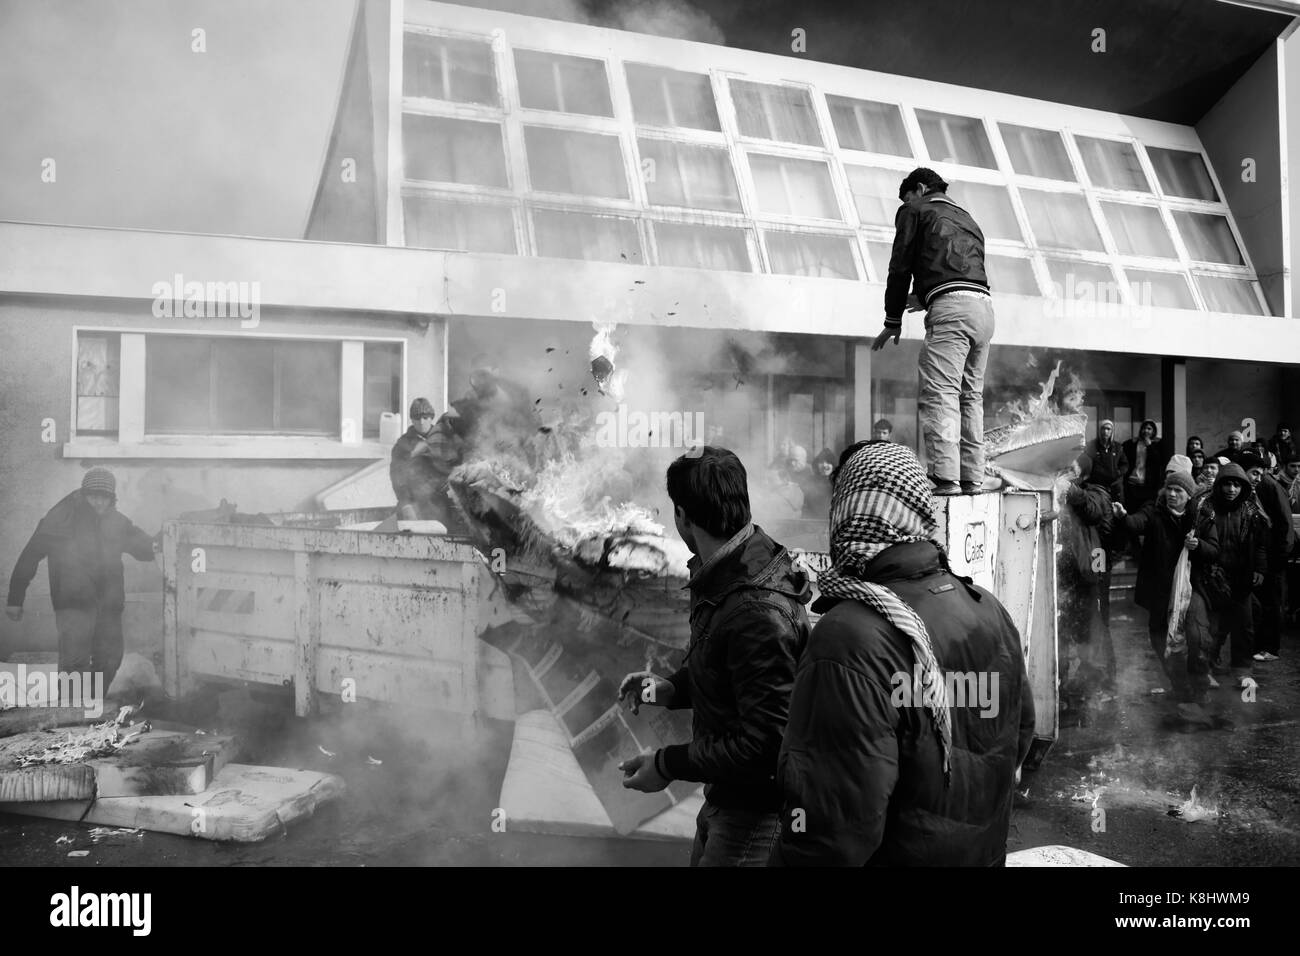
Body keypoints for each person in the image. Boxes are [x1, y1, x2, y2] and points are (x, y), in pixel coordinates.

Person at [771, 441, 1032, 866]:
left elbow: (831, 828)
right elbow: (1017, 739)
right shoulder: (988, 607)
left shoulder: (849, 636)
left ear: (849, 512)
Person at [617, 447, 811, 866]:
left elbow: (764, 747)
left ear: (683, 515)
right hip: (725, 799)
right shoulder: (725, 572)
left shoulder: (756, 609)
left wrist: (667, 764)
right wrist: (672, 689)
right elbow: (727, 670)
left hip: (754, 814)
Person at [871, 167, 994, 497]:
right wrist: (926, 297)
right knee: (970, 397)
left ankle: (943, 476)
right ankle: (972, 477)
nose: (906, 203)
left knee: (940, 392)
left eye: (907, 196)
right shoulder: (968, 217)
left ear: (920, 188)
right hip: (983, 309)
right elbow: (957, 272)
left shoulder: (915, 210)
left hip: (952, 310)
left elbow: (900, 266)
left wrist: (892, 319)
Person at [6, 468, 158, 698]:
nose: (98, 502)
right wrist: (15, 599)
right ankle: (72, 712)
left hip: (109, 605)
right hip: (73, 603)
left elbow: (145, 548)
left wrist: (162, 539)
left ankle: (92, 706)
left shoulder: (117, 522)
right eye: (93, 496)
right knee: (74, 663)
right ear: (83, 494)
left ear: (112, 498)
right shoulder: (60, 519)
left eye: (104, 497)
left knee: (109, 658)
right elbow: (30, 556)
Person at [1114, 471, 1217, 726]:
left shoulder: (1200, 518)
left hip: (1191, 589)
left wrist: (1199, 546)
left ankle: (1199, 689)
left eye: (1178, 491)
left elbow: (1214, 549)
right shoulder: (1154, 511)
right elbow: (1136, 523)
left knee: (1197, 636)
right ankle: (1181, 689)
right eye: (1169, 489)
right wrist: (1123, 517)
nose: (1172, 494)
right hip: (1160, 591)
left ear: (1188, 495)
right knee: (1161, 640)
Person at [1192, 463, 1266, 688]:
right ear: (1220, 485)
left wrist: (1260, 569)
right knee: (1212, 627)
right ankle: (1207, 668)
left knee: (1244, 625)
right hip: (1212, 577)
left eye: (1236, 484)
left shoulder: (1250, 511)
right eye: (1227, 484)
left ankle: (1242, 671)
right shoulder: (1207, 508)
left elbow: (1260, 545)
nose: (1231, 489)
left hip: (1240, 577)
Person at [1058, 454, 1117, 717]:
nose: (1067, 472)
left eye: (1072, 468)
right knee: (1062, 634)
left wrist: (1069, 490)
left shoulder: (1095, 493)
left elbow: (1093, 511)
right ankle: (1062, 690)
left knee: (1091, 632)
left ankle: (1092, 689)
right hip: (1062, 575)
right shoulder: (1057, 490)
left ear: (1083, 473)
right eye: (1065, 468)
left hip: (1088, 575)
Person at [1241, 453, 1296, 662]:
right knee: (1258, 604)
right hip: (1256, 557)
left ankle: (1271, 648)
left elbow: (1285, 524)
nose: (1258, 477)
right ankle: (1257, 645)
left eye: (1260, 473)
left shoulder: (1269, 486)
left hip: (1273, 556)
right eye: (1254, 473)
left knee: (1271, 603)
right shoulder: (1244, 488)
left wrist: (1280, 558)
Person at [389, 397, 459, 524]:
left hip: (441, 504)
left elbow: (455, 467)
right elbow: (397, 476)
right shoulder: (402, 445)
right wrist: (406, 504)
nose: (421, 422)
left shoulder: (445, 439)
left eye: (425, 418)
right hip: (414, 504)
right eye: (417, 418)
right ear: (411, 420)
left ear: (431, 418)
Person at [1121, 419, 1167, 512]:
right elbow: (1122, 454)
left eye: (1149, 429)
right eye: (1144, 428)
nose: (1146, 431)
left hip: (1148, 485)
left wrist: (1150, 446)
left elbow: (1159, 461)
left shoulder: (1158, 444)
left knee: (1146, 510)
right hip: (1132, 482)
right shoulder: (1133, 443)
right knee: (1131, 509)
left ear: (1154, 431)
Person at [1086, 419, 1127, 500]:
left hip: (1114, 486)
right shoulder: (1092, 445)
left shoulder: (1118, 447)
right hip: (1096, 486)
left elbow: (1124, 464)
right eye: (1103, 428)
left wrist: (1118, 472)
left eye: (1108, 429)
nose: (1105, 431)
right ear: (1100, 430)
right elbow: (1085, 464)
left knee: (1116, 509)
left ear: (1112, 431)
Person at [801, 449, 835, 519]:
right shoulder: (809, 482)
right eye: (821, 462)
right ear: (816, 465)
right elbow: (804, 506)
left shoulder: (838, 481)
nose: (824, 465)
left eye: (828, 462)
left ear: (833, 465)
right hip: (813, 522)